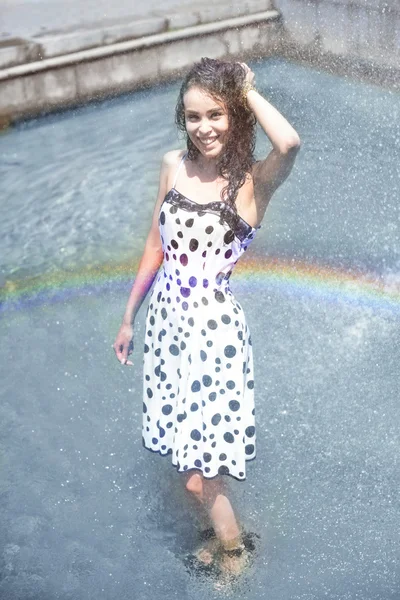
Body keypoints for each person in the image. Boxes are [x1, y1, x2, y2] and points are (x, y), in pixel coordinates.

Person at [113, 57, 300, 583]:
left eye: (216, 114)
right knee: (184, 458)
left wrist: (246, 87)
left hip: (213, 336)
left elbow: (288, 143)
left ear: (235, 115)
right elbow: (156, 247)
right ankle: (221, 535)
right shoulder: (173, 164)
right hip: (168, 328)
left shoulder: (250, 184)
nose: (204, 128)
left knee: (200, 479)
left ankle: (235, 556)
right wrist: (129, 317)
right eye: (194, 116)